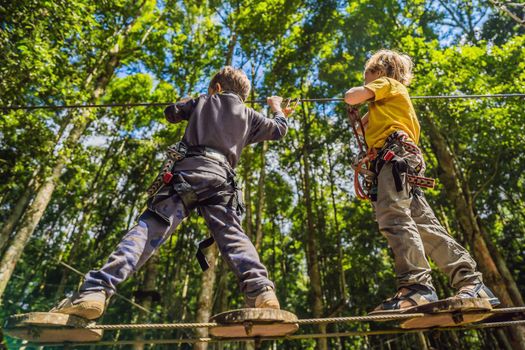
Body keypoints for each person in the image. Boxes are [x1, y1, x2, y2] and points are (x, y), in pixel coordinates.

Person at [51, 66, 293, 320]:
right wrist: (276, 107)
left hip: (188, 173)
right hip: (223, 181)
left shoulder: (203, 101)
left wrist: (186, 101)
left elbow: (172, 113)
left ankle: (95, 290)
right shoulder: (250, 115)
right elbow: (279, 129)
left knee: (149, 228)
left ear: (217, 88)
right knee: (233, 235)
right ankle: (261, 291)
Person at [344, 49, 500, 313]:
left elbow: (351, 96)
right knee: (423, 224)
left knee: (393, 216)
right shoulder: (390, 102)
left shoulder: (388, 85)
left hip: (394, 161)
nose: (364, 78)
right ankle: (471, 282)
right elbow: (367, 126)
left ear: (381, 71)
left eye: (367, 74)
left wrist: (357, 96)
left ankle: (417, 287)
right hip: (403, 163)